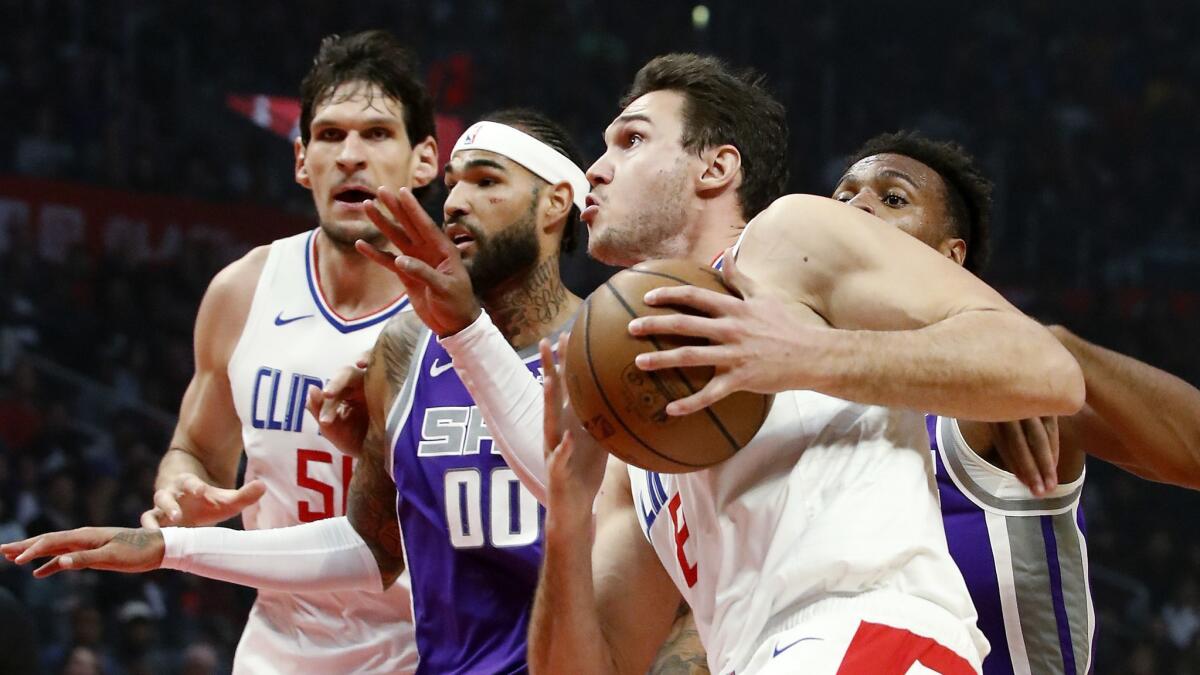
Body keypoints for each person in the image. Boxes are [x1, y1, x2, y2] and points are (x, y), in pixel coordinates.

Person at [347, 53, 1083, 674]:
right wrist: (566, 518)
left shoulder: (787, 240)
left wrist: (804, 353)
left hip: (872, 637)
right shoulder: (634, 421)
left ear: (715, 167)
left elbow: (1046, 369)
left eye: (630, 141)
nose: (595, 171)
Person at [3, 108, 590, 674]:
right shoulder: (406, 346)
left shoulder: (604, 349)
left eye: (486, 181)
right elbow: (369, 549)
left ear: (557, 203)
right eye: (455, 184)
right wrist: (169, 547)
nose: (456, 202)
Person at [16, 30, 438, 674]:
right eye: (329, 135)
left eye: (377, 134)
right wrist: (179, 489)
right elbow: (197, 450)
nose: (350, 155)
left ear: (425, 160)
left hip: (429, 650)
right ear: (301, 161)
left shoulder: (464, 317)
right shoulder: (243, 291)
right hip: (278, 648)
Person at [831, 130, 1200, 675]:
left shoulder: (999, 391)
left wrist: (1048, 348)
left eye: (893, 199)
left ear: (949, 256)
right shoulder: (795, 409)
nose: (857, 205)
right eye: (842, 196)